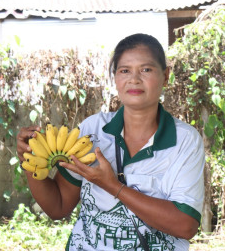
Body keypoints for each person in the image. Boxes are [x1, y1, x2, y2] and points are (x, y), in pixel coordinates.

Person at [16, 33, 205, 250]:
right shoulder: (93, 131)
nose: (134, 79)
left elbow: (185, 225)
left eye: (146, 69)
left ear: (165, 75)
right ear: (115, 78)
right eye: (125, 70)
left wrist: (113, 186)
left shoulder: (185, 141)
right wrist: (30, 161)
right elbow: (58, 207)